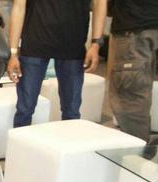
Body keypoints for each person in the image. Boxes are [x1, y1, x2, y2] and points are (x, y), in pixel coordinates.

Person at [8, 0, 107, 128]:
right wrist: (13, 52)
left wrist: (96, 43)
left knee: (71, 112)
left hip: (72, 44)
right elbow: (19, 6)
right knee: (25, 110)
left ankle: (68, 141)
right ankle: (19, 140)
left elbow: (100, 2)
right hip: (35, 42)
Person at [108, 0, 158, 142]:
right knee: (137, 92)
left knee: (130, 101)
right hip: (152, 24)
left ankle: (136, 153)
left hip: (136, 25)